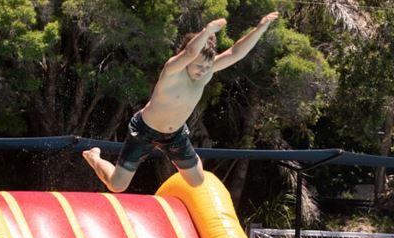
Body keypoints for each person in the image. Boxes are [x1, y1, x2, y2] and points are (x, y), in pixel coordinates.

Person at [83, 12, 280, 192]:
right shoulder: (172, 71)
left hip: (174, 135)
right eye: (199, 66)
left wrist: (260, 29)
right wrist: (207, 31)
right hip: (144, 131)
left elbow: (235, 53)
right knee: (117, 186)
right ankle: (94, 157)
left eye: (207, 66)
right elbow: (189, 53)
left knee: (197, 181)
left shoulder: (206, 73)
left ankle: (183, 161)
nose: (203, 71)